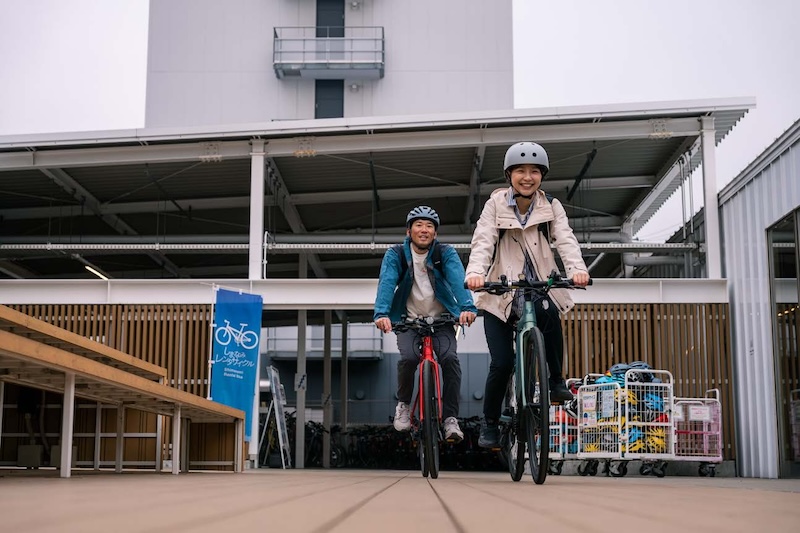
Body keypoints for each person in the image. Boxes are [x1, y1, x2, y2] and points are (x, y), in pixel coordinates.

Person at [465, 142, 590, 448]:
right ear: (509, 175)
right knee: (502, 363)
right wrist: (475, 273)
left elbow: (566, 240)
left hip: (538, 286)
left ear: (541, 176)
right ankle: (490, 424)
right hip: (500, 292)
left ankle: (556, 381)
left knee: (548, 312)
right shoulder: (495, 205)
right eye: (520, 171)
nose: (527, 177)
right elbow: (483, 240)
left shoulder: (552, 207)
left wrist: (577, 269)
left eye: (534, 171)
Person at [374, 205, 477, 443]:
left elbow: (457, 279)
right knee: (409, 359)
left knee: (450, 360)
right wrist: (382, 313)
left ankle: (450, 418)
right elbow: (387, 282)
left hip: (441, 321)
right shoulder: (396, 254)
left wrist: (467, 308)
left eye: (429, 226)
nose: (424, 230)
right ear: (409, 231)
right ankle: (403, 405)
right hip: (408, 321)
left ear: (435, 233)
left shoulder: (445, 253)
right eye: (419, 225)